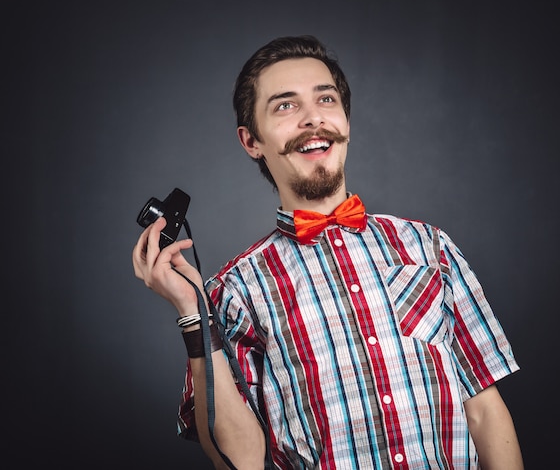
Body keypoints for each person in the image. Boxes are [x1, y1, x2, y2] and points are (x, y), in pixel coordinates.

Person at [132, 35, 524, 469]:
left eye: (326, 99)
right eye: (285, 106)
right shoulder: (233, 290)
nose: (312, 118)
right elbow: (240, 460)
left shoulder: (430, 247)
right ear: (251, 141)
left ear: (346, 122)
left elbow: (485, 411)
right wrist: (193, 312)